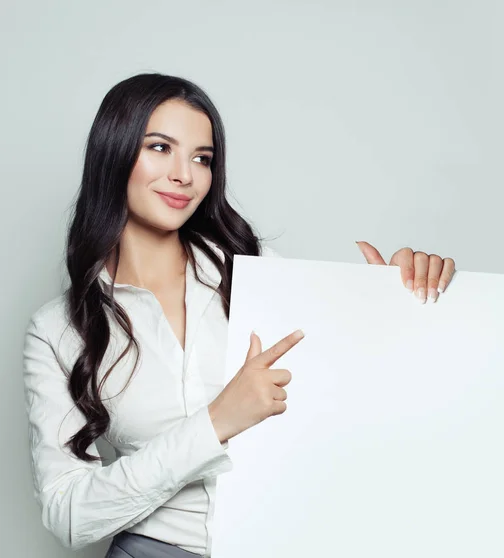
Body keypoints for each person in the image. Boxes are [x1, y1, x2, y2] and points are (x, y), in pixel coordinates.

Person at [22, 73, 456, 558]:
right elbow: (68, 517)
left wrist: (395, 307)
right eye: (160, 147)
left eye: (201, 158)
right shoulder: (57, 330)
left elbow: (355, 403)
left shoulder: (259, 271)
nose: (184, 174)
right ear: (114, 153)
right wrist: (214, 424)